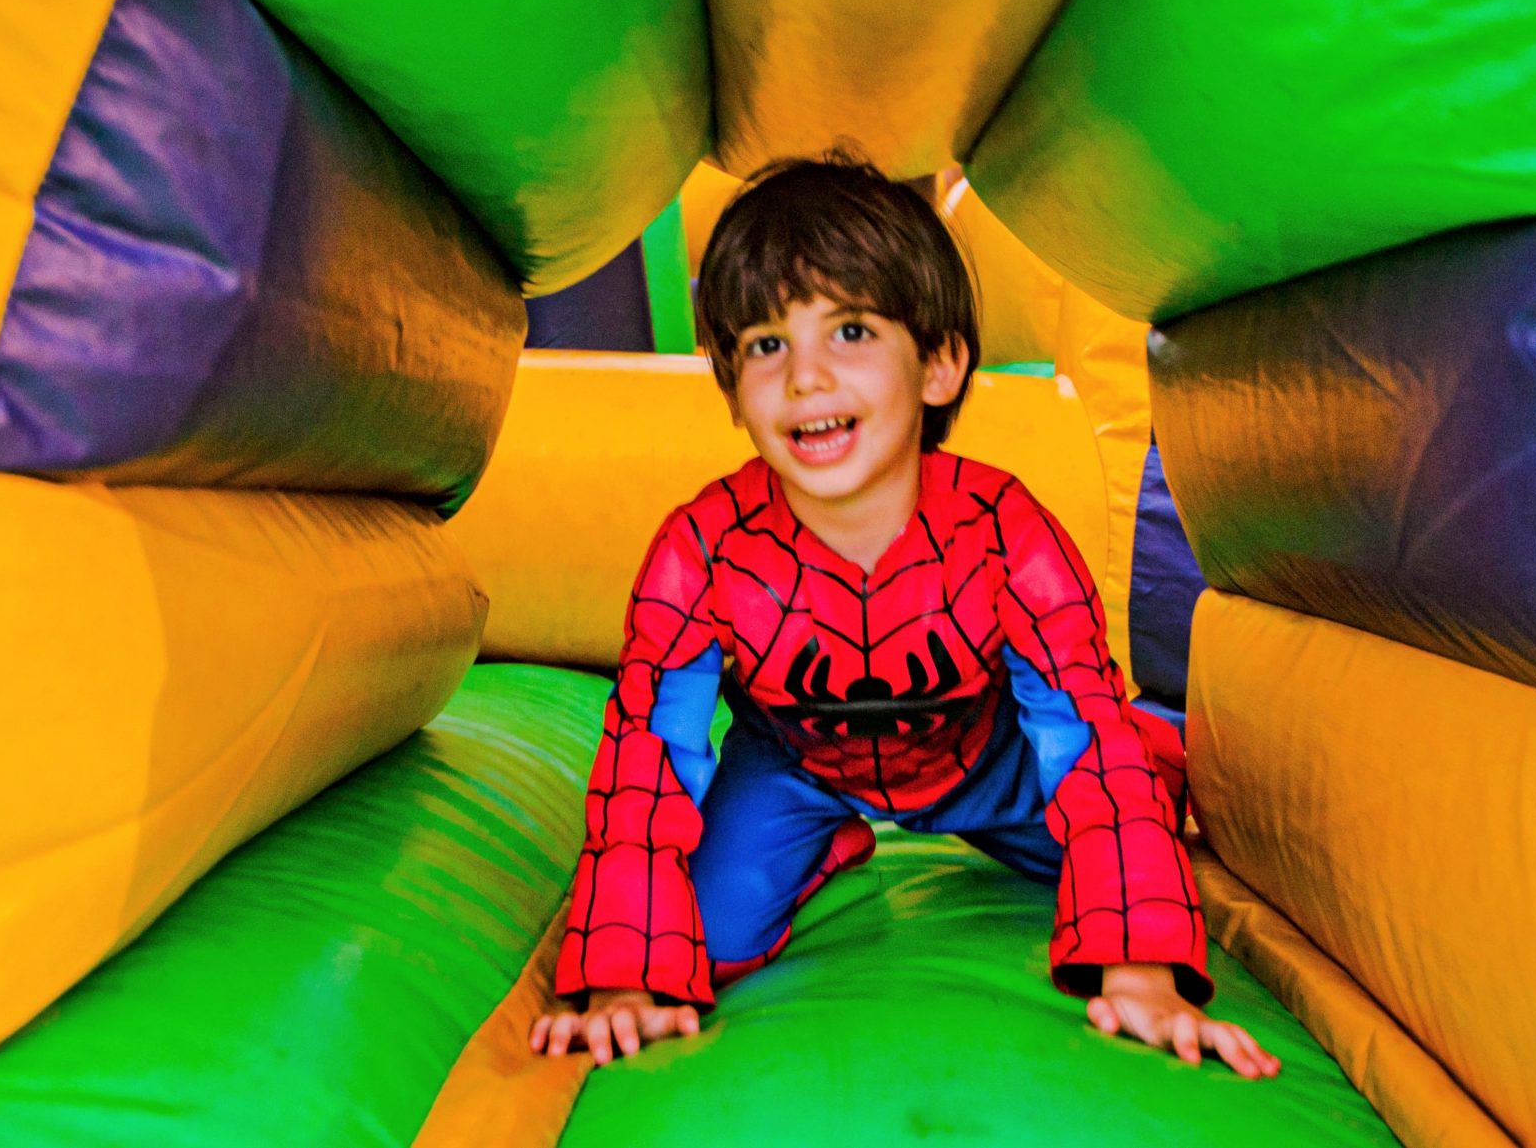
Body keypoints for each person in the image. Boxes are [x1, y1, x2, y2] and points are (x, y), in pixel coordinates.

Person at [528, 151, 1279, 1080]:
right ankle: (829, 840)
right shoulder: (700, 550)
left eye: (849, 331)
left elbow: (1085, 737)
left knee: (1139, 821)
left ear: (939, 364)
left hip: (989, 754)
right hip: (800, 760)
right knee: (705, 939)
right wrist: (625, 977)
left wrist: (1142, 974)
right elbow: (648, 755)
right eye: (765, 345)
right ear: (729, 385)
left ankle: (1157, 770)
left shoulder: (1007, 533)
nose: (805, 378)